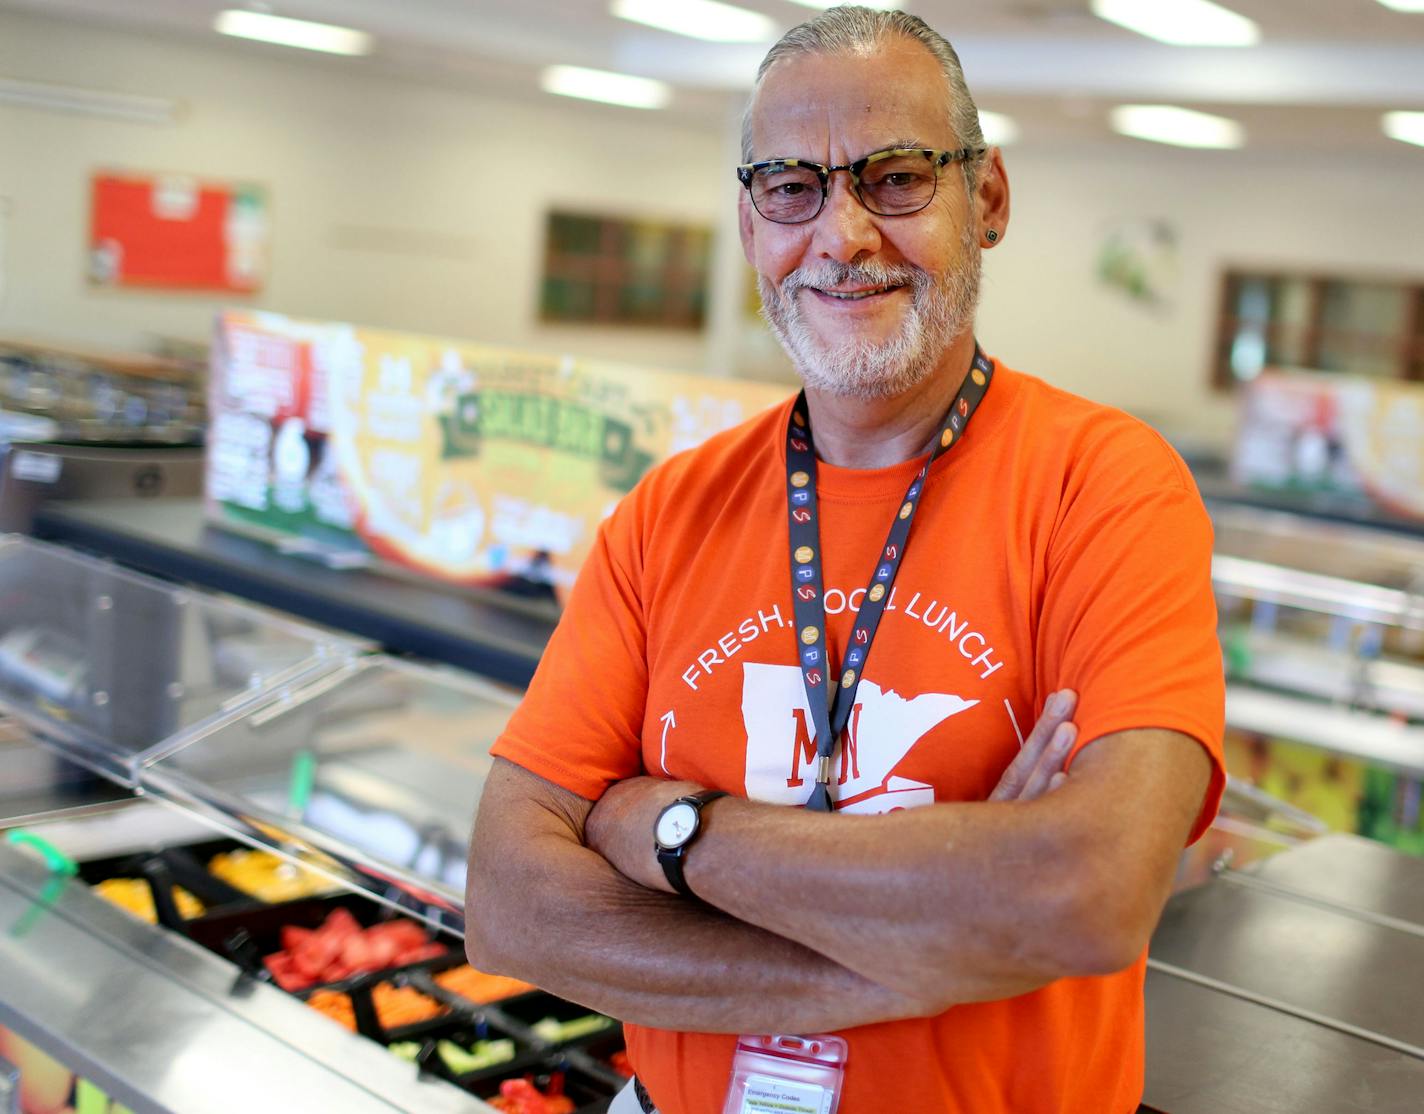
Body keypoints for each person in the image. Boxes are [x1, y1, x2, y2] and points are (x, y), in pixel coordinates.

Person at [466, 7, 1225, 1113]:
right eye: (791, 186)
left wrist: (670, 831)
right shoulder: (668, 512)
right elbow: (512, 906)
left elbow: (1086, 889)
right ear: (749, 221)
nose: (843, 233)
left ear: (989, 199)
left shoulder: (1103, 485)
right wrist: (912, 952)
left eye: (897, 177)